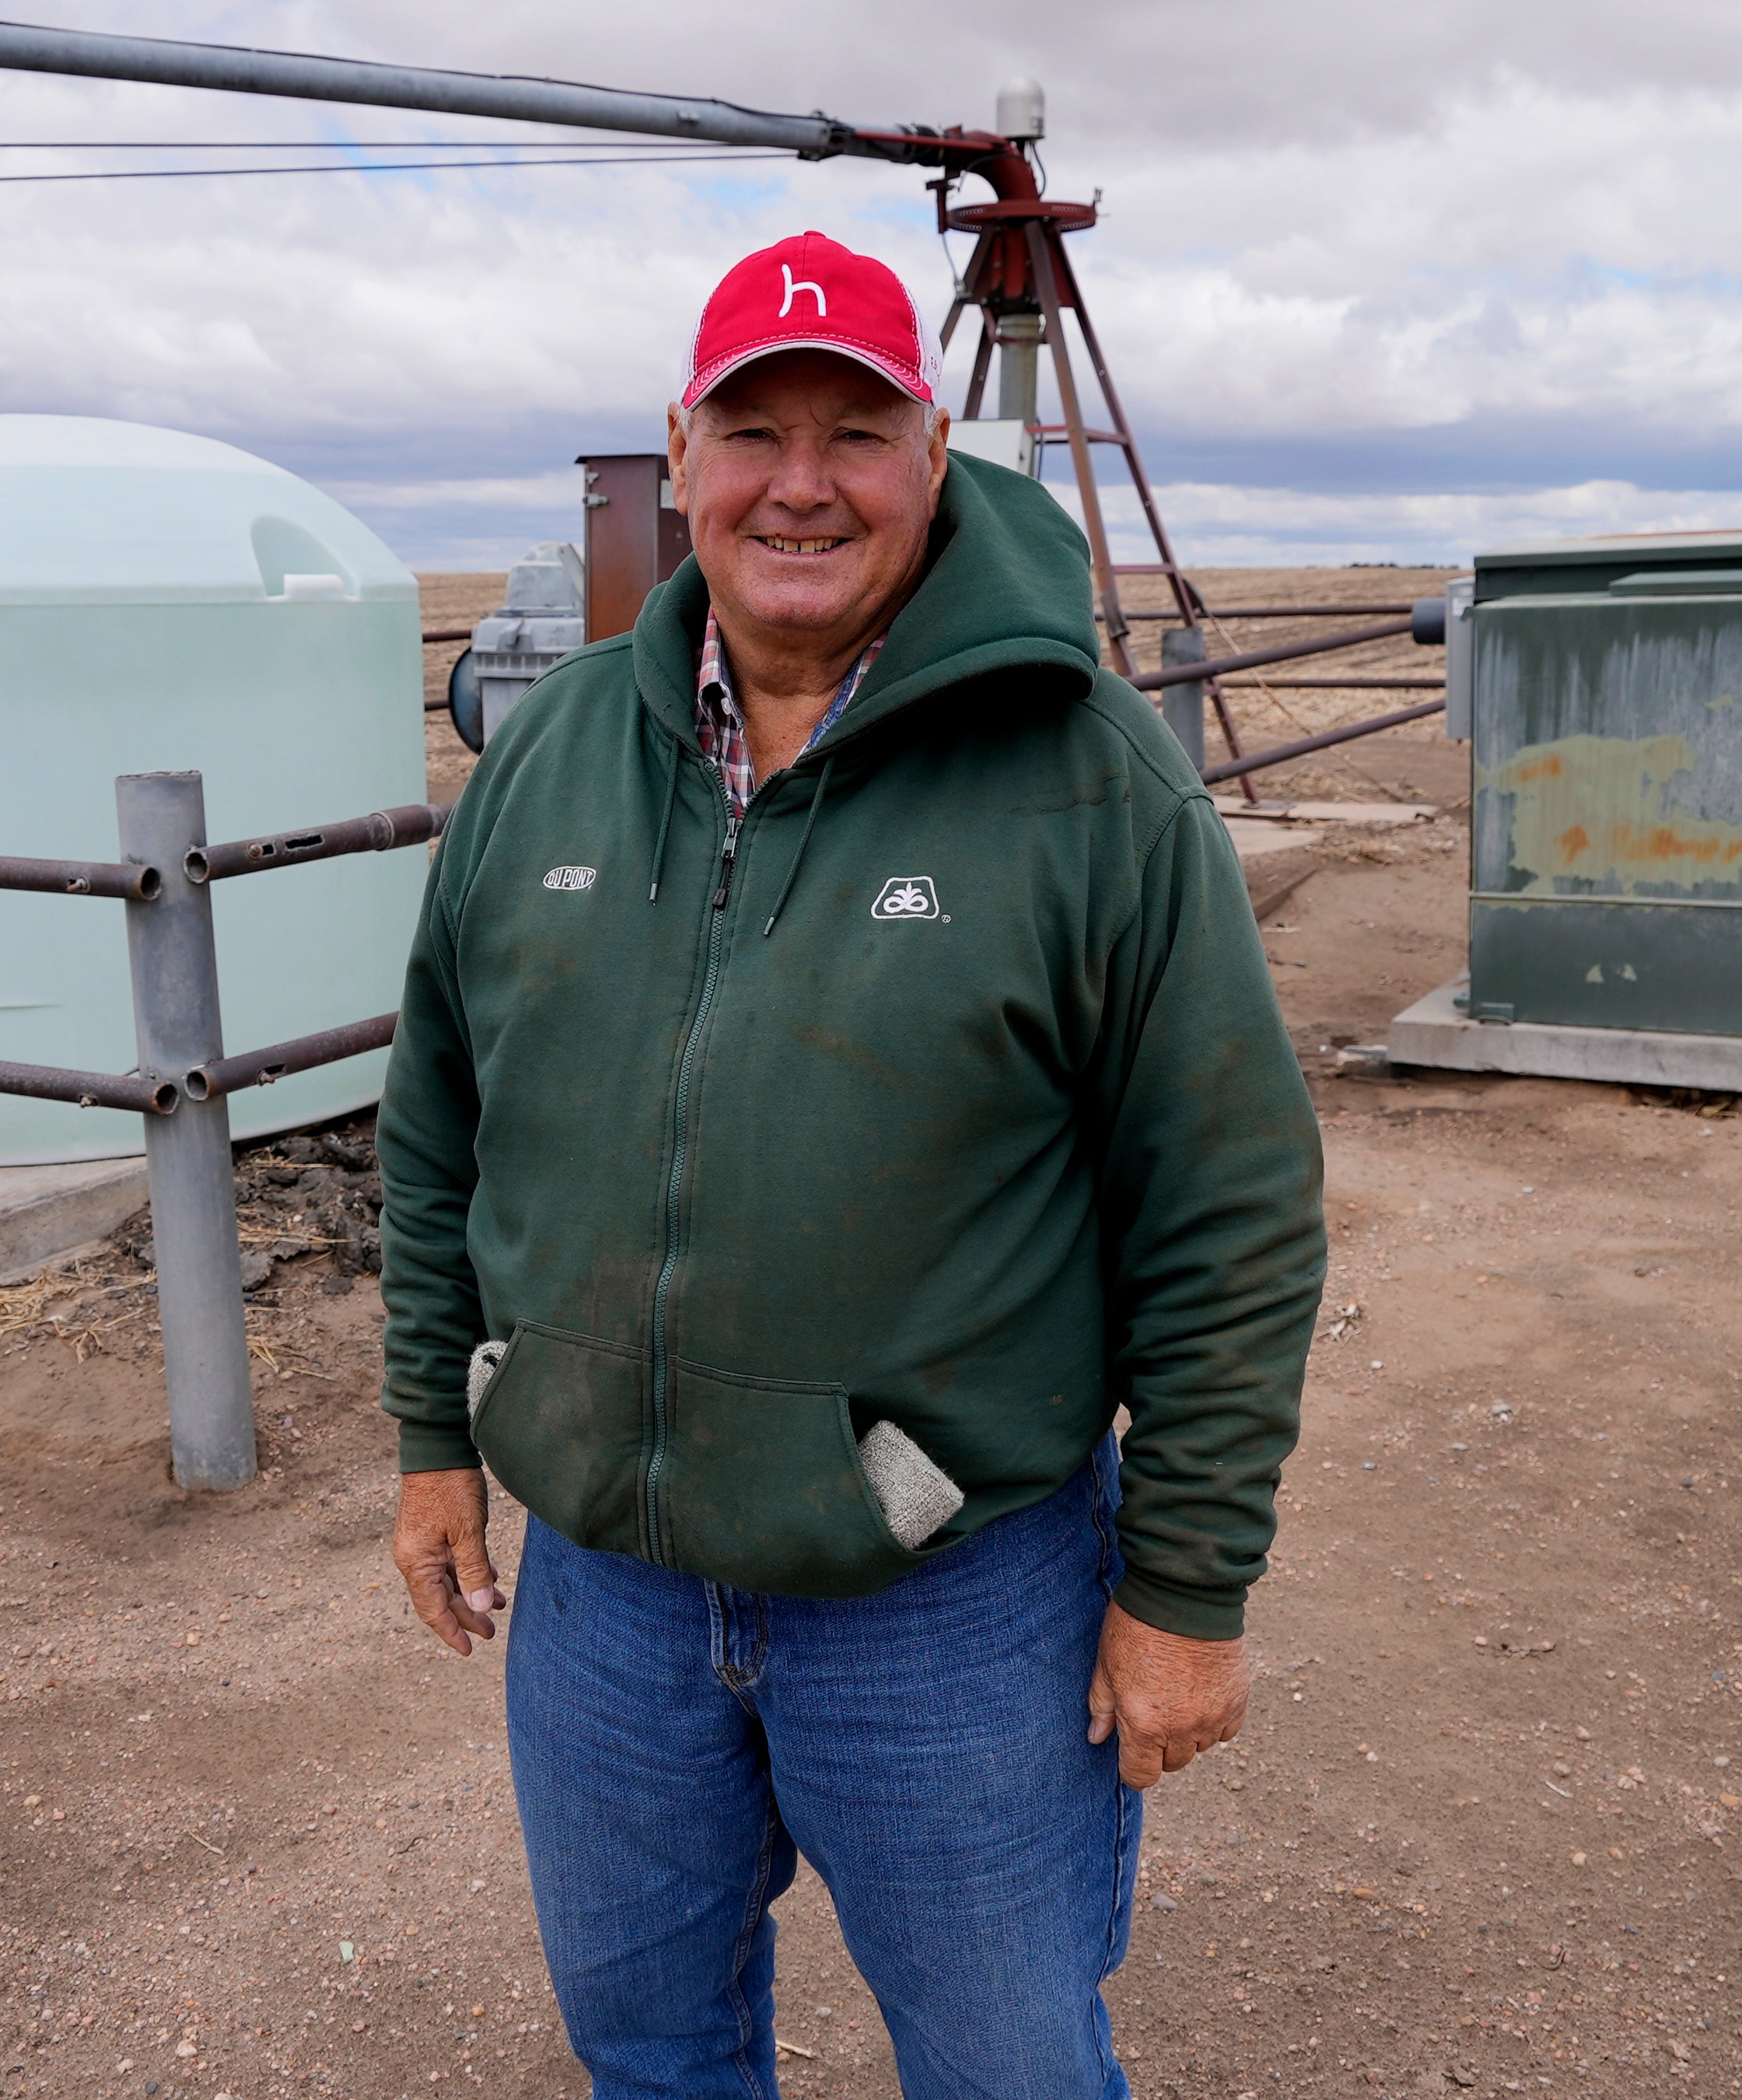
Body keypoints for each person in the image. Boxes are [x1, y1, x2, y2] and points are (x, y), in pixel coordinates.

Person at [377, 229, 1325, 2098]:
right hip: (606, 1596)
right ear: (680, 452)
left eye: (851, 431)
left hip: (951, 1597)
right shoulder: (557, 753)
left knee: (1005, 2069)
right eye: (751, 430)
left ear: (931, 449)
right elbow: (440, 1124)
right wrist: (433, 1441)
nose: (796, 483)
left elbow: (1225, 1211)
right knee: (649, 2054)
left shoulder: (1084, 779)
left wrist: (1187, 1589)